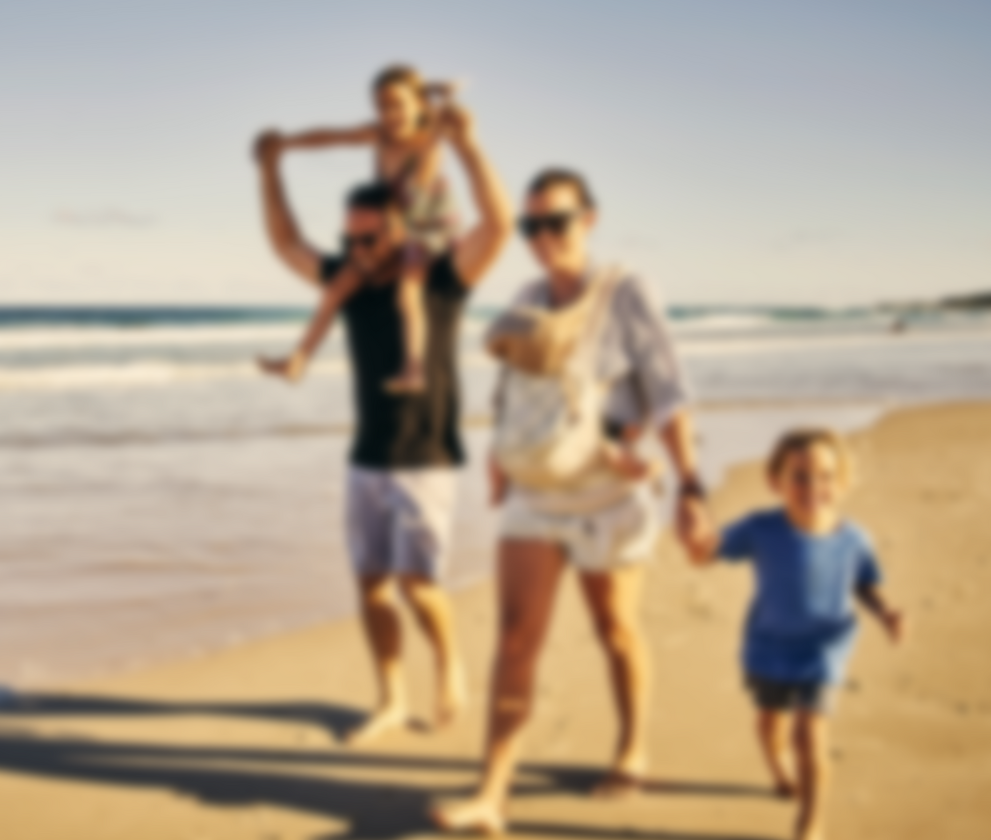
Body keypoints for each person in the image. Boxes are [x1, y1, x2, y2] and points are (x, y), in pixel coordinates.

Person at [433, 168, 712, 834]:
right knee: (514, 639)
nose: (541, 238)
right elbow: (515, 384)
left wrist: (691, 485)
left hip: (609, 493)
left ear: (589, 219)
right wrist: (501, 458)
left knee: (615, 631)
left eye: (555, 222)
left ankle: (633, 747)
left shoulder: (625, 291)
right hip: (534, 492)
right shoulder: (528, 293)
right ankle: (491, 793)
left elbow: (669, 389)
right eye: (531, 226)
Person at [251, 98, 511, 744]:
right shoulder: (350, 276)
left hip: (425, 455)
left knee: (420, 585)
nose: (357, 250)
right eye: (349, 239)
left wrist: (469, 145)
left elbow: (500, 225)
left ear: (403, 228)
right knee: (371, 586)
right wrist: (269, 168)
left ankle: (449, 666)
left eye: (370, 238)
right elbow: (286, 242)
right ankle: (391, 698)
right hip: (366, 456)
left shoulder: (444, 277)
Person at [686, 428, 905, 840]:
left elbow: (865, 583)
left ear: (842, 482)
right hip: (769, 646)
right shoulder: (760, 528)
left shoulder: (853, 539)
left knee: (810, 735)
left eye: (825, 476)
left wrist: (886, 612)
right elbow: (711, 551)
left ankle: (810, 824)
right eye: (800, 476)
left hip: (824, 649)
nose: (813, 486)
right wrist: (699, 542)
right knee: (771, 723)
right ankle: (778, 769)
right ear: (777, 481)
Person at [257, 64, 461, 394]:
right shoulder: (378, 135)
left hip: (424, 228)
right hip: (389, 231)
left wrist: (443, 103)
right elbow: (331, 136)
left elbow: (417, 193)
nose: (389, 114)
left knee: (408, 292)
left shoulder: (427, 142)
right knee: (337, 286)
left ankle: (413, 367)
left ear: (419, 105)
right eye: (381, 106)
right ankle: (299, 359)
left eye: (398, 104)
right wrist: (286, 143)